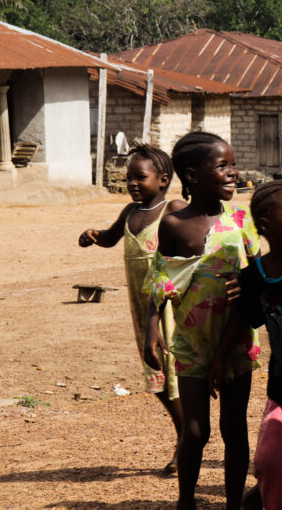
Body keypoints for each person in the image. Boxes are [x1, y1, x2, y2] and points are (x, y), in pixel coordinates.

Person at [144, 131, 261, 510]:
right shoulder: (175, 224)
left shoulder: (243, 221)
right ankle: (186, 500)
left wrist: (247, 286)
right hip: (193, 344)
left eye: (233, 165)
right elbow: (160, 280)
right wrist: (151, 329)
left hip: (237, 341)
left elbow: (259, 275)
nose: (233, 173)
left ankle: (231, 505)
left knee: (234, 429)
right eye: (223, 166)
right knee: (196, 430)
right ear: (192, 175)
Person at [78, 144, 186, 473]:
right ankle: (186, 433)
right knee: (155, 377)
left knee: (174, 375)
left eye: (140, 177)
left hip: (169, 307)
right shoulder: (130, 212)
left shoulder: (173, 209)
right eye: (129, 178)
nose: (133, 183)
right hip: (142, 311)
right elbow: (112, 237)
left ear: (163, 179)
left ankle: (188, 440)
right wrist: (93, 236)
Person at [209, 180, 282, 510]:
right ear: (266, 225)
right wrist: (219, 357)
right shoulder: (255, 274)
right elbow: (244, 317)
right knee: (268, 465)